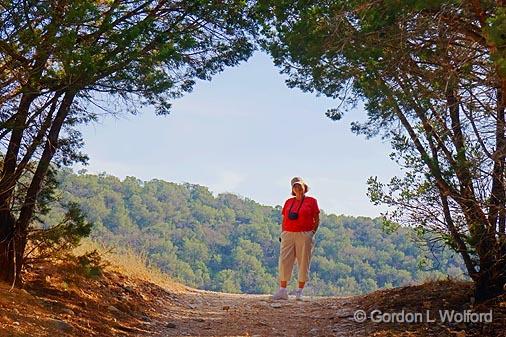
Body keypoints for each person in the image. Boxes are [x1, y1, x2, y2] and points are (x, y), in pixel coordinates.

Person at [271, 176, 320, 300]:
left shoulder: (311, 201)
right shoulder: (288, 202)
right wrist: (283, 233)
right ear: (292, 189)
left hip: (304, 234)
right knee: (284, 261)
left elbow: (317, 218)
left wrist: (312, 233)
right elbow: (284, 219)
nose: (297, 188)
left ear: (304, 187)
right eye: (295, 186)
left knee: (303, 261)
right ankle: (283, 290)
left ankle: (299, 291)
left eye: (299, 186)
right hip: (288, 234)